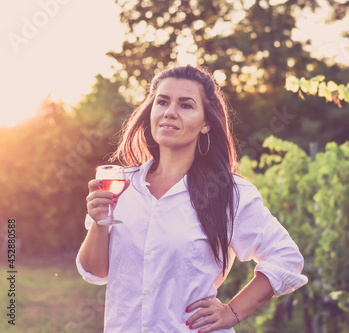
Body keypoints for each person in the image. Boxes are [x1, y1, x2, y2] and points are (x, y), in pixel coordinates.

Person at [76, 65, 308, 332]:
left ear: (206, 122)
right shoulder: (121, 184)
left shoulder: (229, 193)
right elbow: (96, 272)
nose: (170, 112)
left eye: (186, 105)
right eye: (162, 102)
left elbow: (286, 258)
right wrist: (100, 221)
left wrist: (232, 312)